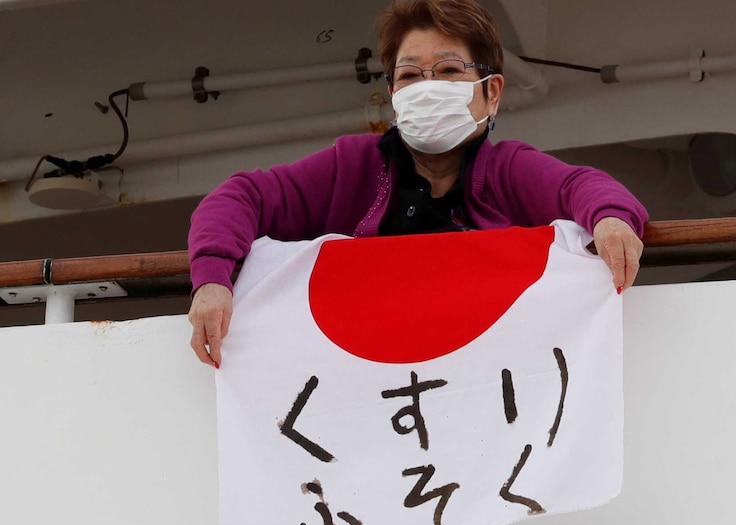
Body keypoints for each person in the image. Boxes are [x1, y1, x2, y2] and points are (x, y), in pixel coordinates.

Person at [187, 0, 649, 367]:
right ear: (392, 94)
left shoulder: (509, 170)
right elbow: (239, 197)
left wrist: (610, 220)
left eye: (449, 71)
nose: (427, 88)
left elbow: (582, 187)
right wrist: (212, 281)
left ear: (492, 92)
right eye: (409, 76)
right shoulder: (350, 166)